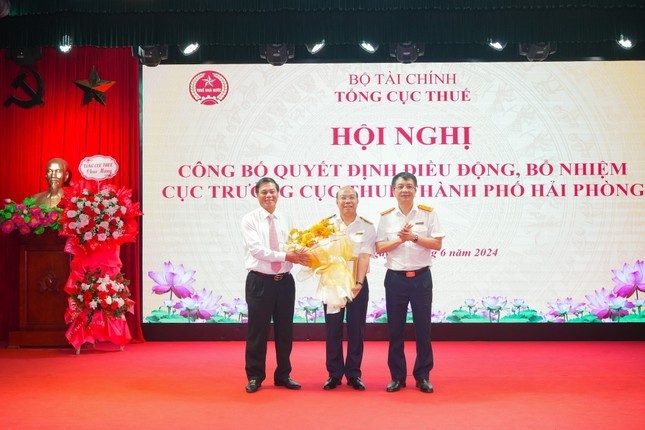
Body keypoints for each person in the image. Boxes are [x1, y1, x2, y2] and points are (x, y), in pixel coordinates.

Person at [375, 172, 445, 394]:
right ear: (393, 191)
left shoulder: (428, 213)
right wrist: (400, 239)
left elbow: (437, 244)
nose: (405, 190)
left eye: (409, 186)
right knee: (395, 330)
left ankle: (423, 376)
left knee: (423, 329)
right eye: (400, 186)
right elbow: (379, 247)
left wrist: (413, 237)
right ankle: (397, 377)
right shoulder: (386, 217)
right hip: (395, 279)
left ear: (415, 190)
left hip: (421, 279)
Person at [241, 177, 309, 393]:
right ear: (257, 195)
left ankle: (283, 375)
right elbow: (257, 250)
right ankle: (255, 376)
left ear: (278, 194)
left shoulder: (285, 218)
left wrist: (304, 253)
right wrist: (287, 255)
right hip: (260, 281)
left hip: (284, 282)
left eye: (272, 191)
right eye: (264, 192)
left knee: (285, 331)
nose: (269, 195)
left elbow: (292, 245)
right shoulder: (249, 220)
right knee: (257, 332)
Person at [322, 186, 376, 391]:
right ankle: (334, 374)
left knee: (356, 329)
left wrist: (359, 283)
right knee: (333, 329)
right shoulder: (326, 225)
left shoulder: (367, 226)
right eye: (343, 198)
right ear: (337, 202)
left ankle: (354, 373)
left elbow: (364, 255)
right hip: (333, 282)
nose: (347, 201)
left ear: (357, 200)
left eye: (351, 197)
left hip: (356, 280)